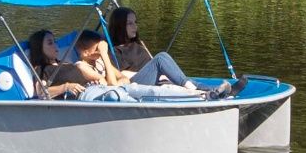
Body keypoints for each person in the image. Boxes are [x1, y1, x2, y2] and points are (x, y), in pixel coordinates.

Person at [72, 29, 235, 99]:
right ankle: (201, 91)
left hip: (130, 85)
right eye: (98, 49)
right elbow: (112, 86)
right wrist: (105, 57)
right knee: (160, 59)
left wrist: (106, 64)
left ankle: (211, 90)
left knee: (175, 78)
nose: (101, 52)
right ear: (85, 52)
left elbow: (120, 77)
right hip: (122, 93)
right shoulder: (81, 66)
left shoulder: (99, 62)